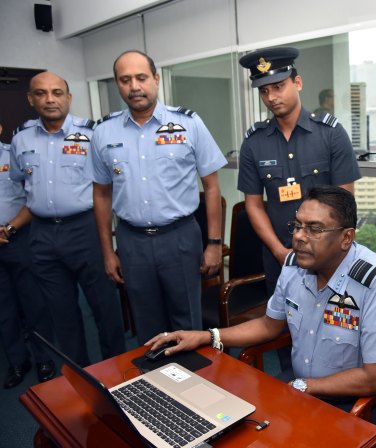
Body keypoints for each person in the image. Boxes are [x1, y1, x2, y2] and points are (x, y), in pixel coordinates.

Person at [146, 186, 376, 429]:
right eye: (297, 225)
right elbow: (268, 325)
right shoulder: (295, 266)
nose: (299, 237)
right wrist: (207, 336)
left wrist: (305, 386)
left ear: (346, 238)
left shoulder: (375, 280)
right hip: (302, 386)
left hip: (358, 403)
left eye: (314, 229)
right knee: (231, 424)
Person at [87, 50, 227, 344]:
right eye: (125, 80)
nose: (134, 86)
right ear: (117, 83)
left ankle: (191, 374)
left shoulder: (188, 123)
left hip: (180, 238)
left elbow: (212, 186)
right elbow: (101, 194)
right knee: (146, 323)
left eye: (141, 77)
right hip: (132, 241)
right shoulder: (103, 131)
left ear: (156, 79)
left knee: (187, 322)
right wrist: (108, 252)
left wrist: (214, 243)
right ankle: (156, 374)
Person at [9, 72, 125, 367]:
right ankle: (78, 377)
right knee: (61, 313)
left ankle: (117, 372)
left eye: (57, 93)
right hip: (42, 234)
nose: (50, 99)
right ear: (31, 99)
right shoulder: (20, 139)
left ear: (69, 98)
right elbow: (21, 183)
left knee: (105, 308)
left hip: (86, 229)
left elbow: (109, 185)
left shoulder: (92, 134)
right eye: (41, 93)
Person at [237, 47, 361, 295]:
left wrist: (326, 249)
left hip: (328, 258)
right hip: (280, 257)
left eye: (278, 86)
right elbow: (253, 205)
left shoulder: (331, 133)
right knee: (281, 318)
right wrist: (278, 251)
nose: (272, 97)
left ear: (298, 83)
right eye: (264, 91)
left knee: (331, 318)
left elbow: (345, 201)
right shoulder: (254, 142)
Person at [0, 121, 56, 388]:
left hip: (19, 236)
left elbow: (35, 198)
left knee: (33, 302)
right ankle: (17, 361)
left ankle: (44, 358)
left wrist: (9, 228)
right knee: (4, 308)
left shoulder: (15, 155)